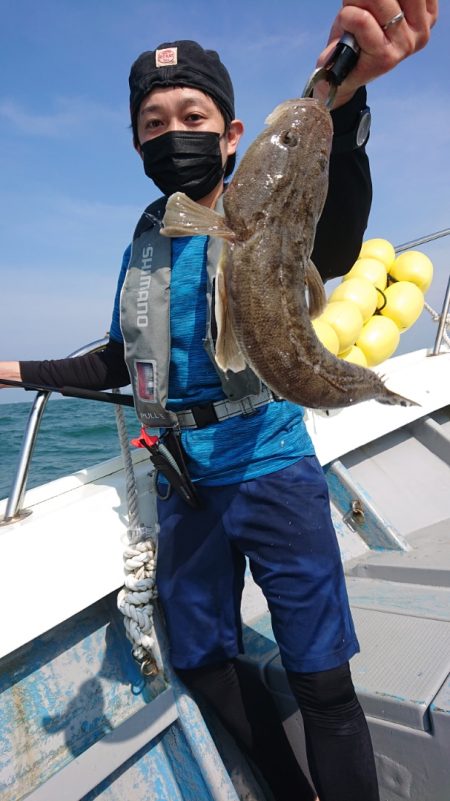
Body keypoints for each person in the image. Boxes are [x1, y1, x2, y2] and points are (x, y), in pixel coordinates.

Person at [0, 3, 438, 800]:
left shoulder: (259, 210)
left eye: (192, 115)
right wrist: (13, 367)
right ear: (137, 143)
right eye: (154, 121)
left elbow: (331, 237)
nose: (174, 132)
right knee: (202, 657)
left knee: (321, 676)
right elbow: (120, 363)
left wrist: (349, 100)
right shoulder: (142, 242)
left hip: (271, 464)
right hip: (185, 485)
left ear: (232, 134)